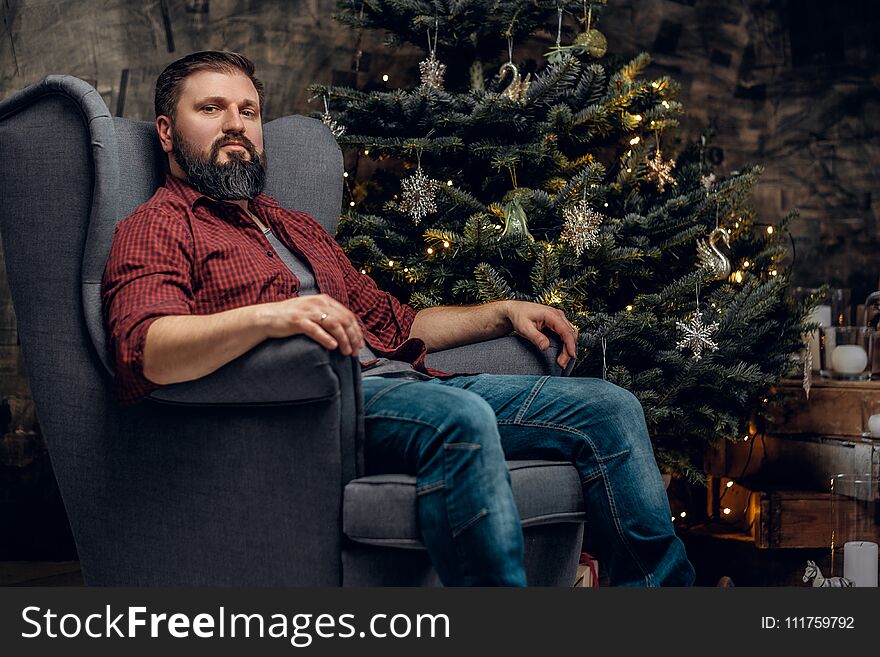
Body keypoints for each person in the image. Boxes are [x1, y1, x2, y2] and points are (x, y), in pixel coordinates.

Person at [102, 50, 696, 587]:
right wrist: (271, 317)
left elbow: (397, 323)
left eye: (248, 111)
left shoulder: (294, 226)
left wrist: (501, 313)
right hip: (323, 409)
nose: (236, 124)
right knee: (457, 417)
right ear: (167, 131)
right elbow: (145, 349)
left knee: (610, 408)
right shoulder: (159, 225)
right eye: (211, 108)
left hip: (411, 384)